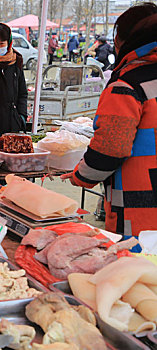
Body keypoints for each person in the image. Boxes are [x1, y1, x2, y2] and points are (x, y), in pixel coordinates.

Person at [63, 2, 157, 252]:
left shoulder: (127, 85)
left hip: (141, 208)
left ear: (121, 40)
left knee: (134, 276)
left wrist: (79, 176)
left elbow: (109, 151)